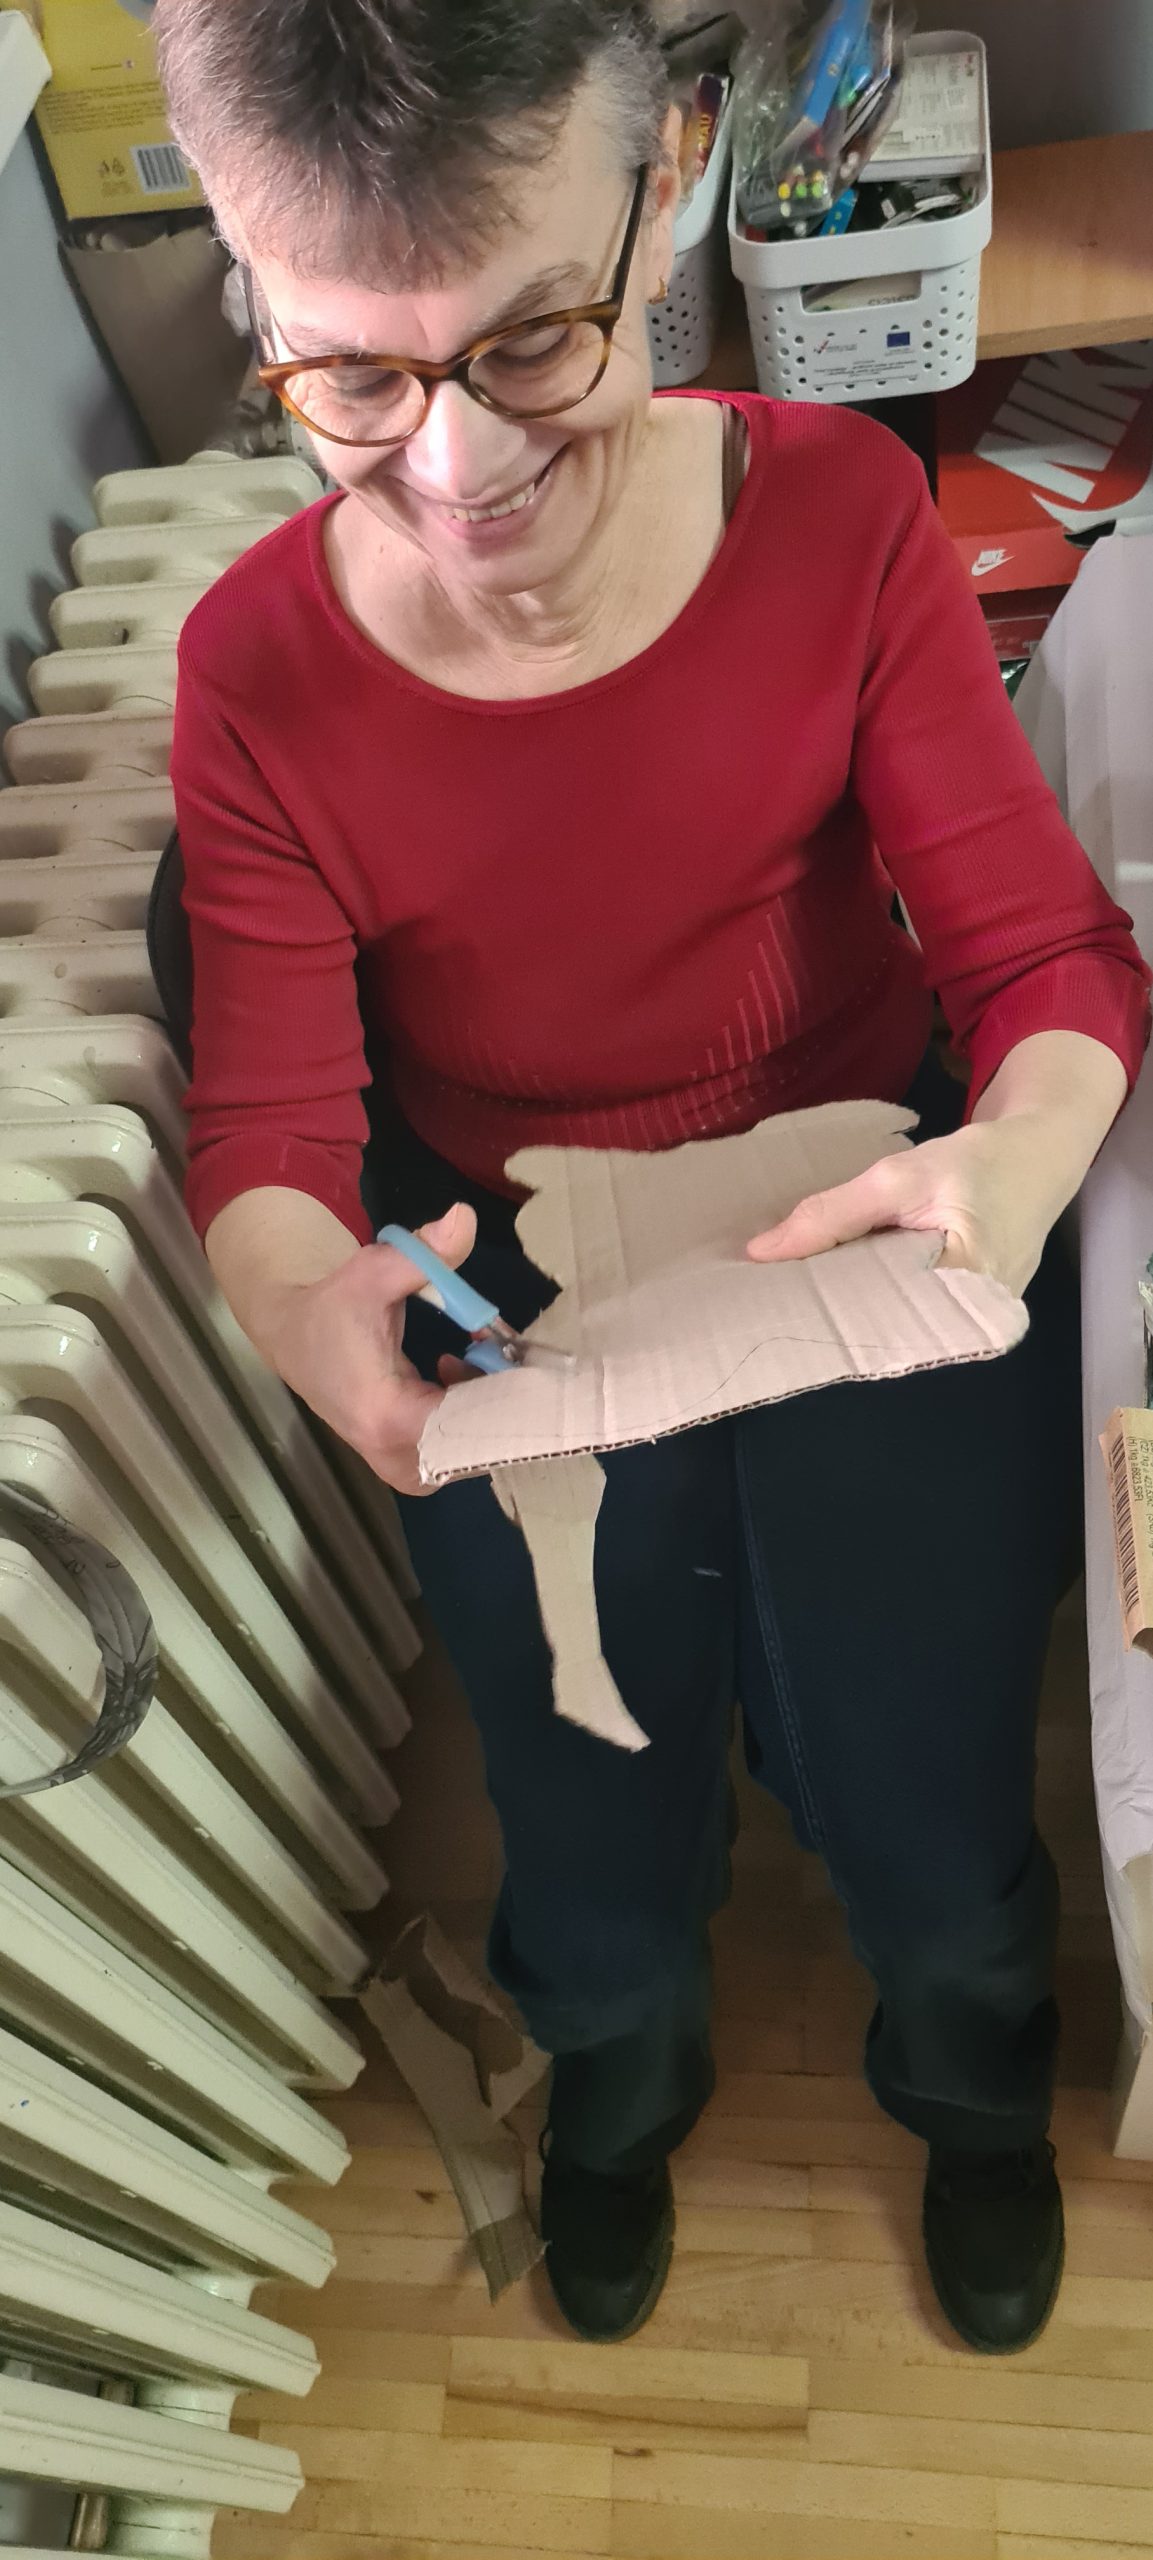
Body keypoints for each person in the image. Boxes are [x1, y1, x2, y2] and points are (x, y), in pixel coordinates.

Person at [157, 0, 1149, 2356]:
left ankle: (967, 2071)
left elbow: (1042, 955)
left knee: (916, 1736)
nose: (458, 471)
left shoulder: (838, 518)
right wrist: (307, 1307)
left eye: (536, 341)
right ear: (248, 281)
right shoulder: (252, 667)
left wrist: (1014, 1167)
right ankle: (618, 2058)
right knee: (576, 1741)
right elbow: (270, 1130)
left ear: (673, 175)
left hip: (853, 1184)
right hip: (508, 1248)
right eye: (350, 376)